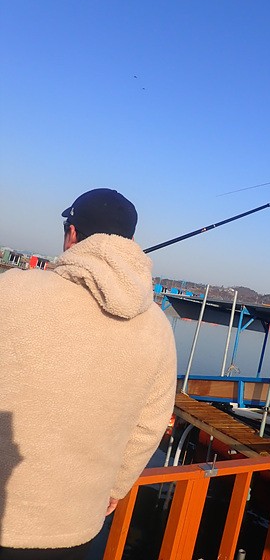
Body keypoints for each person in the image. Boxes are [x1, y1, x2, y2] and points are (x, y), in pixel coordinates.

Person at [0, 188, 177, 558]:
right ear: (129, 243)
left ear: (72, 234)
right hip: (75, 525)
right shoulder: (158, 328)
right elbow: (150, 424)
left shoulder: (11, 289)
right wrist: (116, 487)